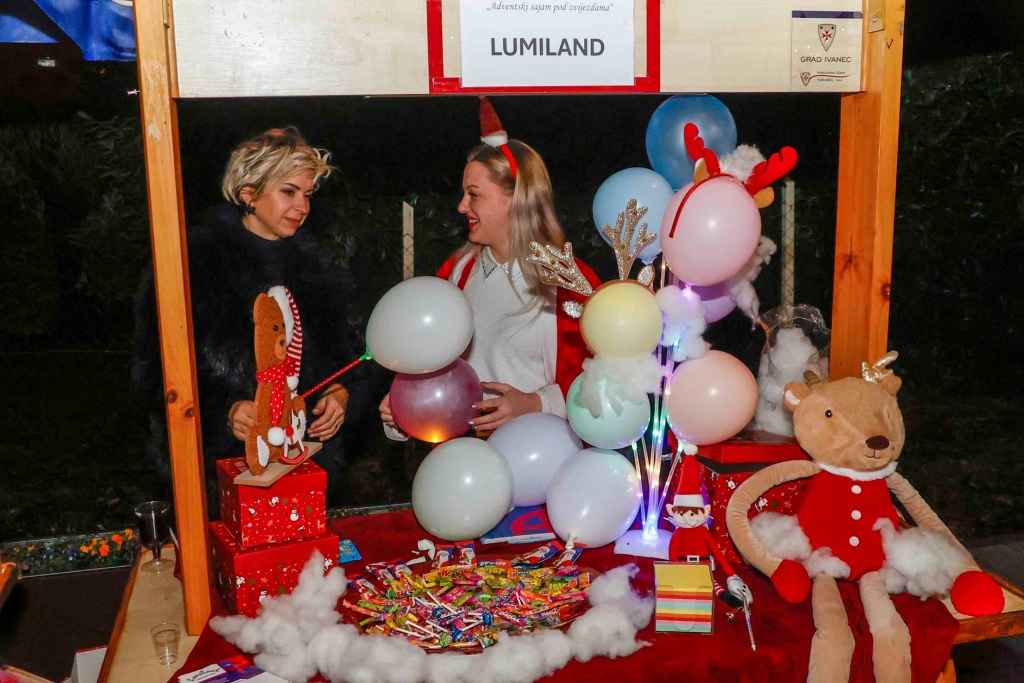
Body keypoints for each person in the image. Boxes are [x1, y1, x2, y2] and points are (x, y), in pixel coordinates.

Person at [133, 126, 370, 514]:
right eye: (289, 191)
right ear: (249, 193)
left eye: (308, 194)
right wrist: (224, 412)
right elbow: (154, 371)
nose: (303, 207)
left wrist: (341, 393)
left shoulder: (317, 272)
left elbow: (348, 358)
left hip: (303, 463)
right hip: (216, 470)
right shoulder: (193, 265)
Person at [379, 98, 600, 437]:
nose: (461, 206)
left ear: (517, 199)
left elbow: (603, 384)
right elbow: (428, 370)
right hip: (463, 456)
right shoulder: (457, 271)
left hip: (539, 454)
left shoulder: (567, 279)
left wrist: (537, 403)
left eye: (474, 194)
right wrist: (402, 413)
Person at [666, 455, 753, 609]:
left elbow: (717, 553)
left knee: (712, 585)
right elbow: (673, 553)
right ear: (672, 511)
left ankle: (730, 599)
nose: (688, 518)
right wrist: (677, 570)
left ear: (705, 511)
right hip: (685, 568)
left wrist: (731, 574)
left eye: (692, 513)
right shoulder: (678, 534)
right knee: (687, 588)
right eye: (682, 513)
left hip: (703, 568)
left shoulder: (702, 531)